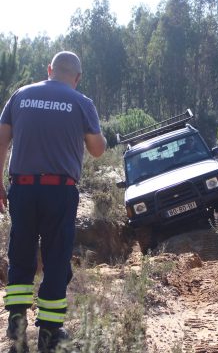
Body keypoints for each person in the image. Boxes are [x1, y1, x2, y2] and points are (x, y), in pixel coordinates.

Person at [0, 51, 106, 352]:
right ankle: (48, 334)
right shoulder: (81, 102)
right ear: (77, 77)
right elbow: (97, 150)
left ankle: (17, 327)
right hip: (59, 192)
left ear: (49, 69)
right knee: (56, 259)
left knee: (21, 255)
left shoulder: (20, 96)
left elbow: (2, 139)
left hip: (22, 188)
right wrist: (103, 138)